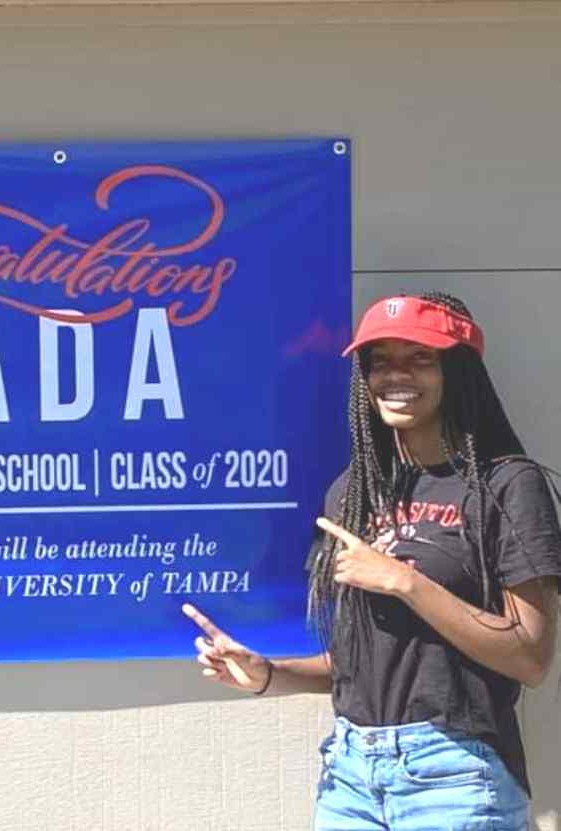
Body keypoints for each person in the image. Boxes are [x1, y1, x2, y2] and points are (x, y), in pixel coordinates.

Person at [184, 292, 561, 829]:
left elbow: (530, 655)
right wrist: (271, 673)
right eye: (379, 361)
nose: (395, 375)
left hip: (453, 773)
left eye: (419, 358)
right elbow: (362, 662)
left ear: (458, 371)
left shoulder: (506, 486)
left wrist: (405, 582)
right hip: (350, 775)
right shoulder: (353, 493)